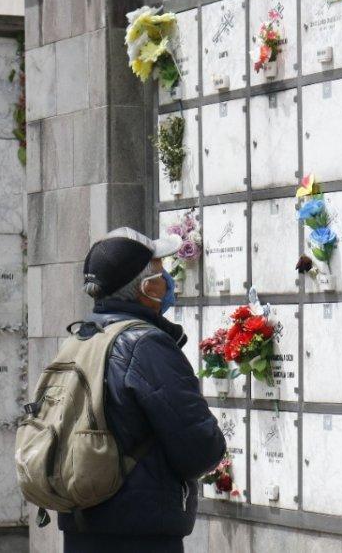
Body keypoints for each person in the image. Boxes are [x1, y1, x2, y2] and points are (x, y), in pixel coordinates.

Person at [59, 227, 227, 553]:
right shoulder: (146, 346)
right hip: (139, 533)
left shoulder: (82, 338)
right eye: (163, 273)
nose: (169, 283)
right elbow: (200, 449)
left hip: (82, 526)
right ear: (147, 289)